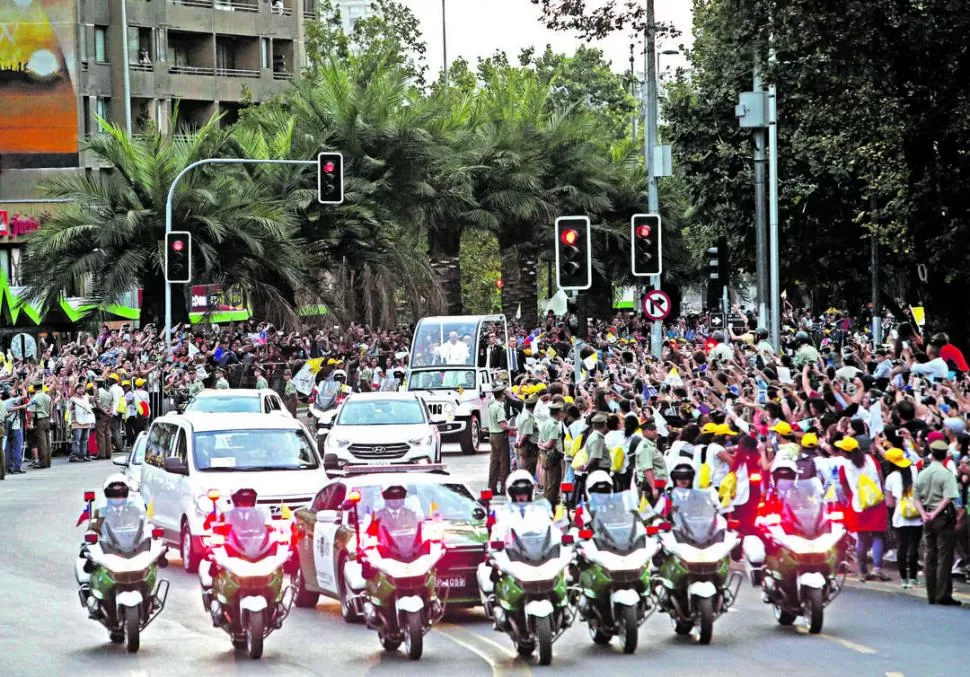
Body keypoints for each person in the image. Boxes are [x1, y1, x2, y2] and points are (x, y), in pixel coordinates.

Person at [837, 436, 890, 582]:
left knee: (862, 538)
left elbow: (845, 487)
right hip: (877, 502)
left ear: (844, 452)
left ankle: (862, 570)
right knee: (878, 536)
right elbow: (880, 479)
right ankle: (878, 568)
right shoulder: (871, 460)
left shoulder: (844, 467)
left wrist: (854, 497)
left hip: (859, 505)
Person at [915, 439, 961, 606]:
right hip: (943, 517)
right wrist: (935, 512)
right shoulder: (946, 474)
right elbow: (949, 498)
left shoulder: (923, 473)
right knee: (944, 556)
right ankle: (943, 594)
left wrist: (925, 514)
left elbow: (916, 498)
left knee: (930, 555)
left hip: (927, 516)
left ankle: (931, 593)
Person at [883, 448, 922, 588]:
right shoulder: (914, 471)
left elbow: (889, 503)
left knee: (902, 547)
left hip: (900, 516)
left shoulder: (890, 478)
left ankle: (903, 579)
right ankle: (913, 577)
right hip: (917, 514)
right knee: (914, 547)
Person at [487, 384, 515, 494]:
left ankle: (491, 487)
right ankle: (504, 488)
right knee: (504, 463)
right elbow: (503, 425)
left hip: (492, 435)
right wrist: (517, 428)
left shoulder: (491, 406)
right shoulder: (500, 408)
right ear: (502, 395)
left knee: (494, 463)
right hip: (500, 436)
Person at [537, 401, 565, 505]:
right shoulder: (554, 426)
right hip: (553, 457)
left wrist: (542, 447)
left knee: (547, 483)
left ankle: (546, 503)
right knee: (553, 484)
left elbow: (539, 443)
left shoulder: (545, 423)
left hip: (544, 455)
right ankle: (549, 507)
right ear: (558, 413)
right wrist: (545, 446)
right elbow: (550, 444)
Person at [26, 380, 53, 468]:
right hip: (47, 419)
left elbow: (30, 411)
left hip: (39, 420)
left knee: (42, 443)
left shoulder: (35, 398)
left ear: (34, 388)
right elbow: (50, 409)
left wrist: (29, 422)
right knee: (48, 442)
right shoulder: (47, 396)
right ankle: (48, 462)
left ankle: (43, 463)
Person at [68, 383, 95, 463]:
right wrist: (72, 405)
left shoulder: (86, 397)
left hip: (86, 420)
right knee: (77, 439)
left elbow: (94, 399)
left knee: (84, 439)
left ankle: (82, 456)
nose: (81, 390)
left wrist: (95, 390)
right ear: (76, 390)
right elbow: (70, 408)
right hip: (76, 421)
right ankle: (74, 455)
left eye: (82, 388)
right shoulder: (73, 399)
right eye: (79, 388)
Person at [515, 395, 539, 477]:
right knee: (529, 470)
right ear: (534, 406)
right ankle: (527, 488)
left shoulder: (524, 414)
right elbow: (526, 434)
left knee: (527, 468)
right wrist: (520, 444)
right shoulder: (528, 418)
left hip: (527, 446)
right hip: (529, 446)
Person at [95, 376, 113, 459]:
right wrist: (109, 412)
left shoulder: (98, 391)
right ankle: (108, 453)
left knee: (100, 435)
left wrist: (105, 412)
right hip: (108, 414)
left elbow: (98, 404)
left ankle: (102, 454)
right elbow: (111, 403)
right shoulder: (108, 391)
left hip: (101, 414)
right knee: (107, 434)